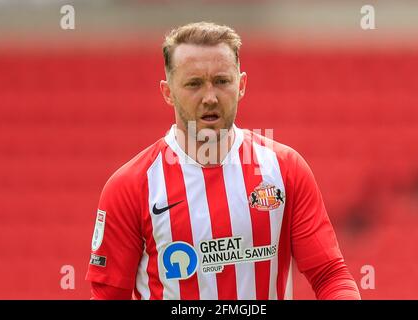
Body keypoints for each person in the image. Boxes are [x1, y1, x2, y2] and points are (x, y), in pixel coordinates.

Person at [85, 21, 361, 300]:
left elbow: (329, 275)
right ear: (167, 92)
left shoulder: (285, 169)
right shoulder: (130, 187)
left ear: (241, 85)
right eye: (194, 84)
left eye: (221, 81)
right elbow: (108, 295)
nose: (210, 97)